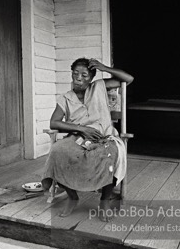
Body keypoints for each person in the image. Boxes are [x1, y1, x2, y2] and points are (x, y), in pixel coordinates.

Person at [42, 58, 134, 221]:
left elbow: (128, 79)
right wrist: (81, 129)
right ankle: (72, 197)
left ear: (91, 78)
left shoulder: (99, 87)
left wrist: (104, 68)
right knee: (58, 151)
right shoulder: (66, 98)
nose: (79, 78)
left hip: (104, 136)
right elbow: (54, 122)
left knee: (109, 154)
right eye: (75, 73)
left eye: (84, 75)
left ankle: (104, 201)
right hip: (78, 137)